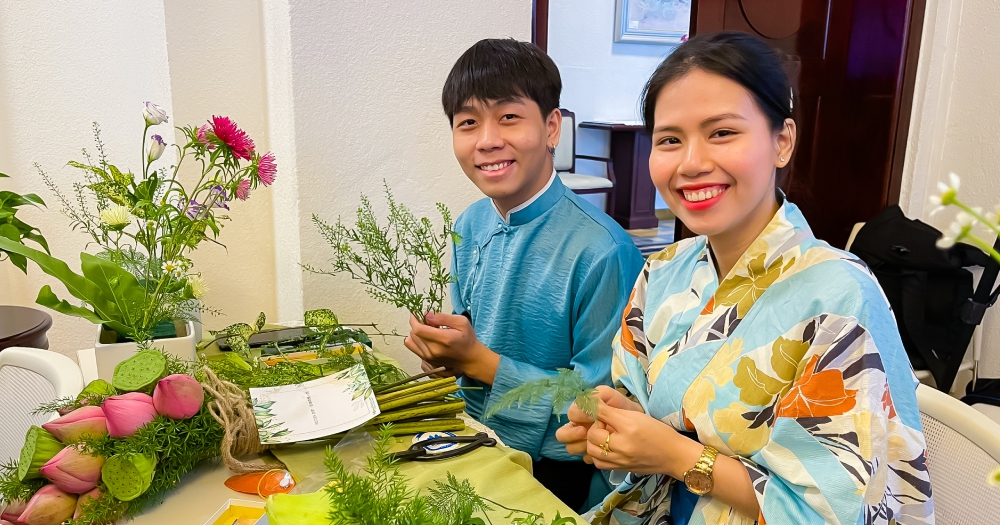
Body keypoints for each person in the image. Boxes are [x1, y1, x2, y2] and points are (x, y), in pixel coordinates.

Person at [556, 32, 934, 525]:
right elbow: (636, 403)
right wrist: (612, 426)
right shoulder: (664, 271)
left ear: (782, 142)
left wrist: (675, 455)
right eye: (670, 139)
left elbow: (840, 509)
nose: (690, 163)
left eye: (722, 133)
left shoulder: (840, 295)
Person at [403, 38, 645, 509]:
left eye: (509, 116)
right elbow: (472, 340)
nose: (488, 139)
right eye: (468, 123)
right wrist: (447, 355)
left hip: (559, 476)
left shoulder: (604, 249)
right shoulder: (469, 223)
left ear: (552, 127)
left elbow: (598, 410)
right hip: (471, 441)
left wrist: (478, 363)